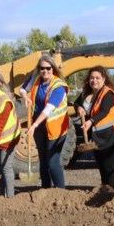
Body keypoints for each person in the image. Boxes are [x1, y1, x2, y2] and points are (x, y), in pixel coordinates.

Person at [19, 54, 69, 189]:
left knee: (53, 162)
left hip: (56, 128)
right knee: (43, 161)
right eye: (42, 68)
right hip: (40, 127)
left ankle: (60, 192)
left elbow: (49, 109)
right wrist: (25, 97)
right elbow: (22, 89)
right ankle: (45, 190)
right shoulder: (36, 78)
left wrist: (34, 125)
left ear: (53, 68)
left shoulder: (59, 86)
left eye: (48, 68)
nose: (45, 71)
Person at [75, 66, 114, 187]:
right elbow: (76, 102)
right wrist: (79, 108)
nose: (94, 80)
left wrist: (90, 121)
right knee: (100, 163)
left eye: (97, 78)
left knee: (108, 164)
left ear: (104, 79)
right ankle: (104, 187)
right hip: (96, 135)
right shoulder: (86, 92)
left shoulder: (108, 93)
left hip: (110, 133)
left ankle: (111, 190)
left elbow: (104, 111)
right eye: (91, 78)